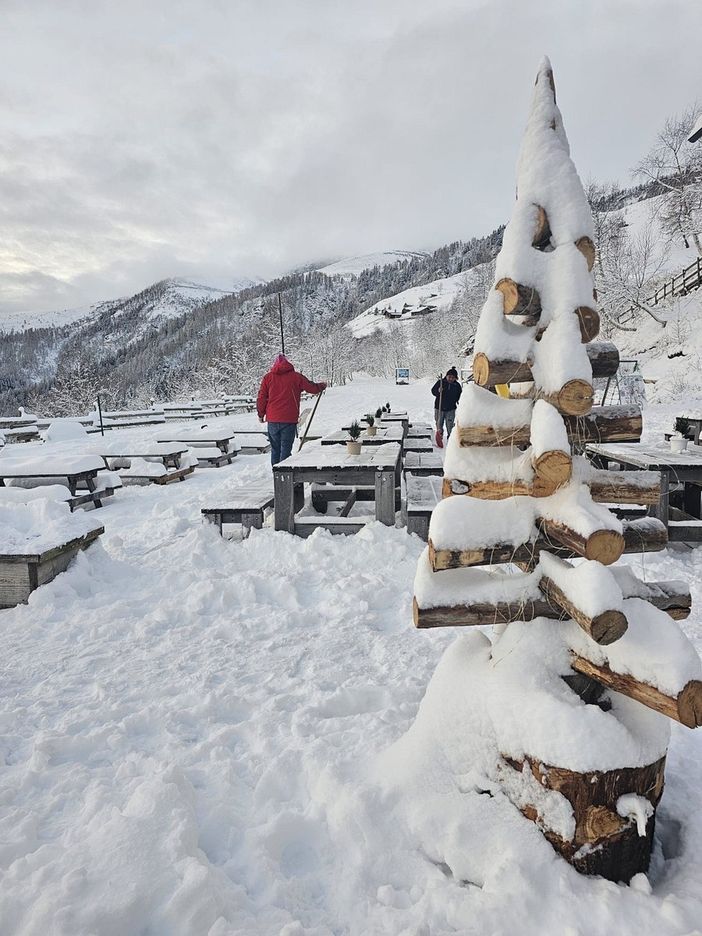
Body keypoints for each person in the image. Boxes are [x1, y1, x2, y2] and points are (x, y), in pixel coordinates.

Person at [257, 354, 326, 465]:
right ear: (288, 364)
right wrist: (322, 386)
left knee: (275, 449)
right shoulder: (296, 377)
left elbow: (261, 397)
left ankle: (277, 476)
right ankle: (285, 475)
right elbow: (311, 388)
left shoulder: (268, 378)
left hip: (273, 420)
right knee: (286, 449)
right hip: (289, 419)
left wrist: (261, 414)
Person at [431, 366, 462, 439]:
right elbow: (433, 391)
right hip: (439, 407)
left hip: (451, 409)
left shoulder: (457, 385)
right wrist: (438, 391)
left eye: (453, 377)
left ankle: (450, 438)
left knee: (450, 425)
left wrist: (458, 401)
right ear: (446, 376)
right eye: (449, 377)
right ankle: (439, 436)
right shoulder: (441, 382)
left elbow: (459, 395)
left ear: (455, 378)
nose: (451, 379)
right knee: (439, 424)